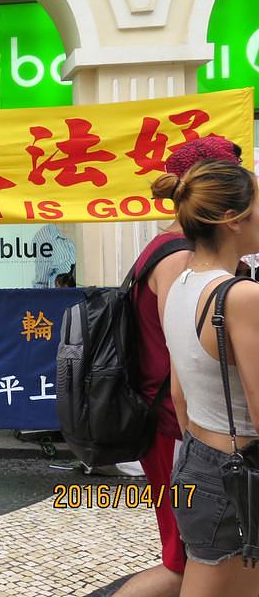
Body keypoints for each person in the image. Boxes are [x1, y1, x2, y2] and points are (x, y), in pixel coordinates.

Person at [115, 136, 241, 597]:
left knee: (198, 561)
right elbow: (184, 355)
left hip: (177, 429)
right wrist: (198, 445)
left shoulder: (167, 247)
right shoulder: (180, 257)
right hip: (176, 429)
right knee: (183, 563)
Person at [156, 159, 259, 595]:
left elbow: (180, 392)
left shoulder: (181, 283)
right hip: (238, 474)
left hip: (199, 457)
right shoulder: (241, 295)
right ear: (233, 219)